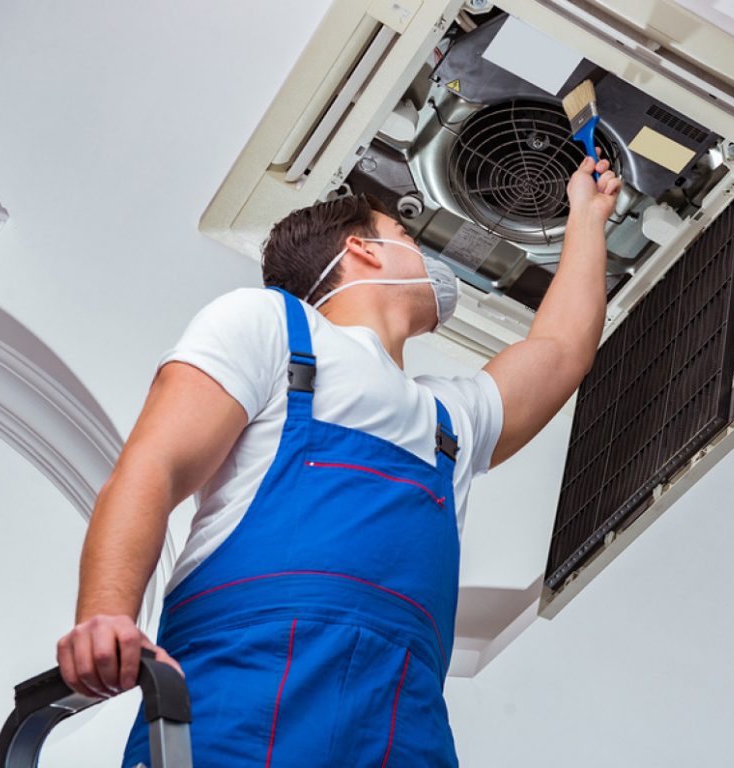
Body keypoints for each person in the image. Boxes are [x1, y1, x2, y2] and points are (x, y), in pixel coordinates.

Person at [56, 154, 621, 766]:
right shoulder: (271, 322)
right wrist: (106, 616)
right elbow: (153, 466)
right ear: (363, 250)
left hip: (403, 714)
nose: (430, 258)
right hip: (246, 683)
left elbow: (561, 352)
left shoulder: (450, 418)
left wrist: (587, 217)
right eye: (406, 235)